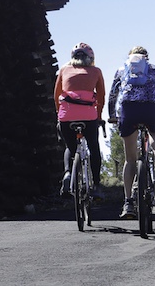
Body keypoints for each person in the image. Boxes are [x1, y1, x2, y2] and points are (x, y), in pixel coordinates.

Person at [107, 46, 155, 219]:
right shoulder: (154, 69)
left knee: (130, 160)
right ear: (146, 57)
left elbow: (113, 95)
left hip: (128, 110)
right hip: (151, 108)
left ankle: (128, 203)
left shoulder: (121, 70)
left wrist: (112, 115)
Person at [54, 42, 106, 197]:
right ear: (90, 58)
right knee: (94, 148)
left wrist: (59, 114)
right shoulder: (96, 71)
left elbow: (56, 95)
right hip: (89, 117)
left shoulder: (64, 69)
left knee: (70, 148)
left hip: (66, 117)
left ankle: (68, 173)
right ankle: (97, 186)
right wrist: (99, 116)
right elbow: (101, 97)